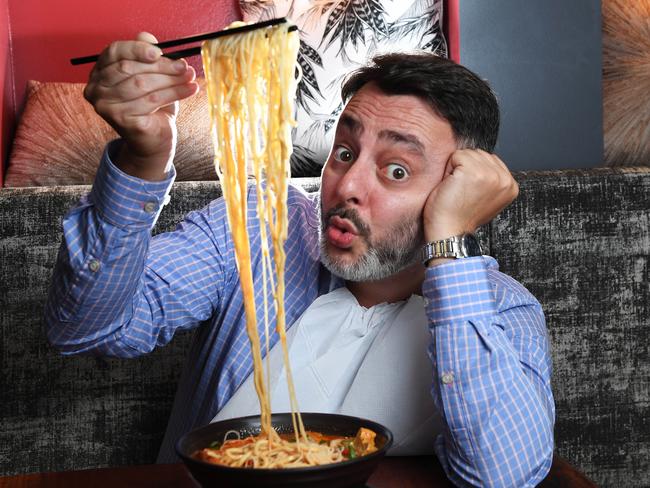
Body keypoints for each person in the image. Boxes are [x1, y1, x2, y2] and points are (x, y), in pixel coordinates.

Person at [45, 32, 554, 487]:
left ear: (459, 191)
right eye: (346, 152)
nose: (346, 186)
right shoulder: (259, 227)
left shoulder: (502, 311)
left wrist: (448, 246)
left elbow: (501, 477)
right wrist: (141, 158)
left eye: (396, 171)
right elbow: (88, 329)